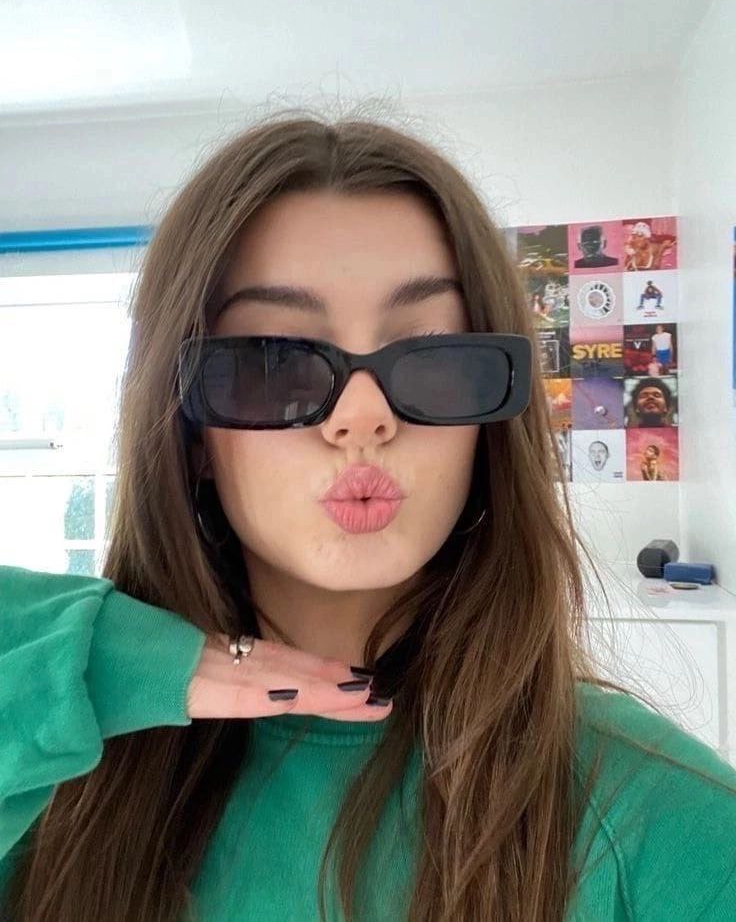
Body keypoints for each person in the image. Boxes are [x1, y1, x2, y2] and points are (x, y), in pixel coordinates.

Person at [1, 111, 735, 922]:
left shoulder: (665, 825)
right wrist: (88, 658)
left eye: (430, 354)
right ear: (191, 432)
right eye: (275, 361)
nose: (361, 416)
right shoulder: (47, 780)